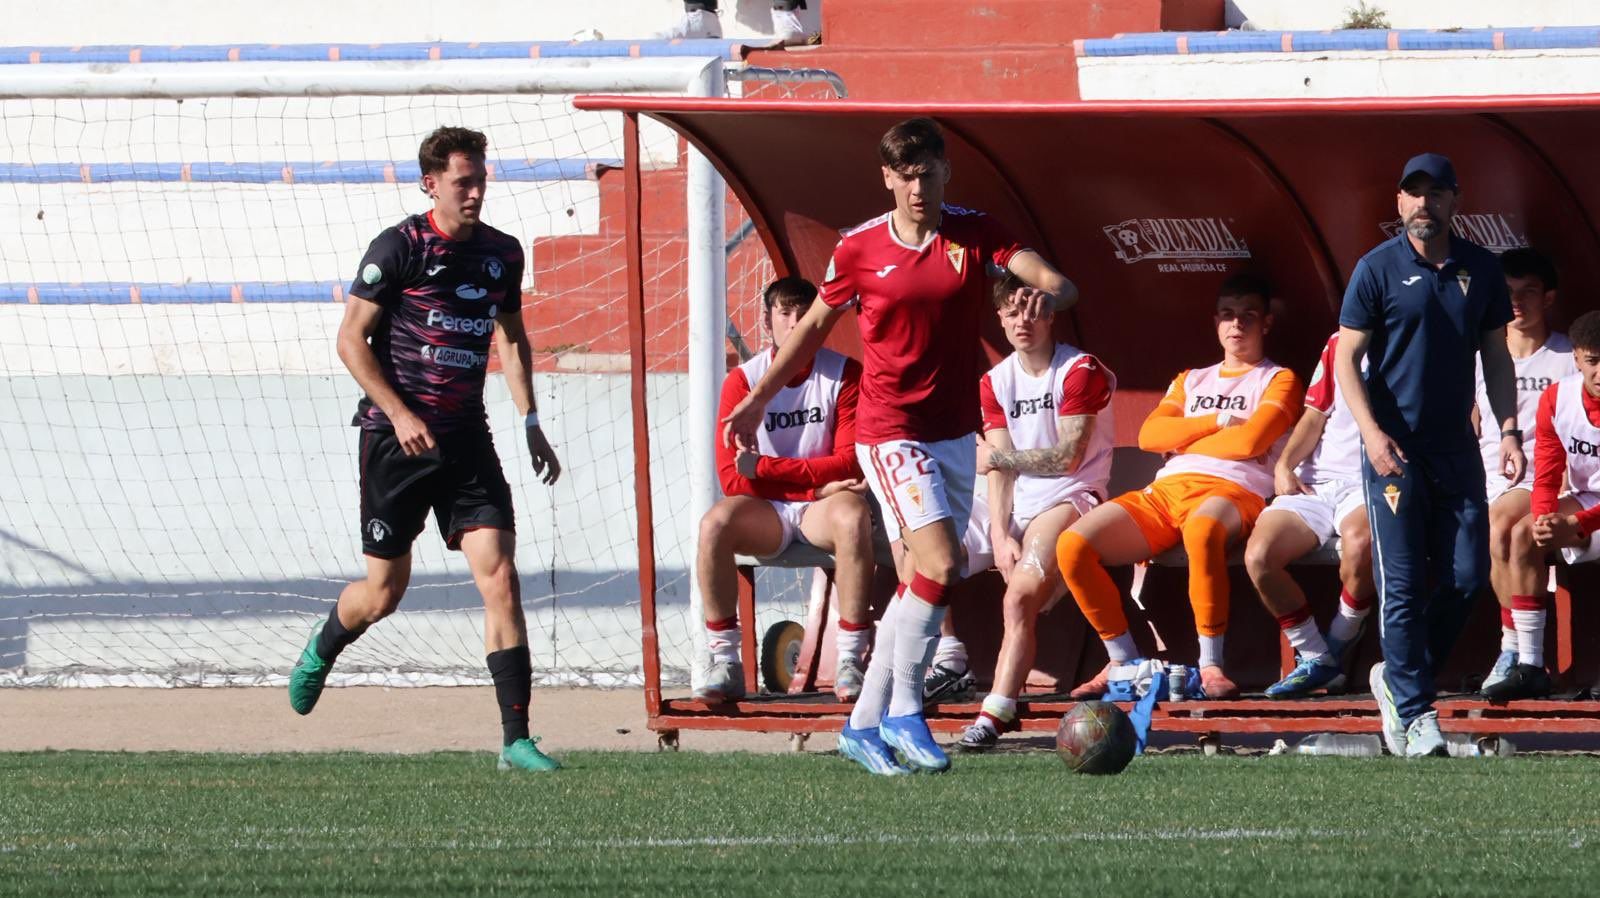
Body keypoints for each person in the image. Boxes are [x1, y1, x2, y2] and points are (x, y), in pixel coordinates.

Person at [722, 117, 1078, 775]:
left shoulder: (973, 231)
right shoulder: (858, 249)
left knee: (923, 579)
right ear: (888, 178)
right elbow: (808, 332)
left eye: (928, 173)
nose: (918, 187)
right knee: (941, 564)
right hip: (889, 432)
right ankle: (905, 713)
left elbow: (1024, 262)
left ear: (947, 172)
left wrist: (1051, 283)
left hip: (951, 432)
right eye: (905, 176)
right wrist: (755, 397)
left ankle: (861, 728)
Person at [287, 126, 563, 773]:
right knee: (383, 593)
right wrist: (399, 411)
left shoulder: (502, 254)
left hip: (468, 440)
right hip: (395, 441)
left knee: (499, 576)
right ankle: (325, 645)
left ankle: (515, 739)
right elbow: (351, 339)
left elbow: (512, 338)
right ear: (430, 183)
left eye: (481, 179)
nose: (475, 192)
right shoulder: (400, 247)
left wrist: (529, 420)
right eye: (463, 181)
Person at [1335, 152, 1522, 757]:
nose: (1423, 205)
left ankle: (1397, 677)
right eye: (1413, 194)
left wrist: (1511, 429)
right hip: (1393, 451)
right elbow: (1346, 359)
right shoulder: (1376, 269)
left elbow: (1495, 356)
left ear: (1453, 201)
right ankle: (1416, 716)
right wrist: (1369, 433)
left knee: (1469, 576)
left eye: (1435, 194)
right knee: (1405, 584)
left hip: (1456, 450)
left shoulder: (1481, 270)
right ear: (1398, 203)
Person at [1057, 274, 1303, 700]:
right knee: (1073, 546)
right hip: (1167, 490)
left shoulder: (1278, 378)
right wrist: (1219, 421)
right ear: (1216, 322)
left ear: (1265, 323)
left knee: (1203, 530)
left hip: (1233, 490)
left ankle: (1210, 664)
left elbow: (1250, 443)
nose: (1236, 325)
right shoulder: (1192, 379)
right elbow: (1152, 435)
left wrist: (1185, 436)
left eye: (1248, 316)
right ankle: (1122, 660)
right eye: (1227, 315)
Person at [952, 273, 1116, 751]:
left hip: (1071, 494)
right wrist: (1000, 536)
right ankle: (930, 671)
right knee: (922, 553)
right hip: (1016, 497)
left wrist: (999, 460)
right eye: (1011, 311)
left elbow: (1066, 457)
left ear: (1051, 314)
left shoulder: (1078, 369)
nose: (1022, 321)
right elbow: (998, 470)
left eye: (1033, 310)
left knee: (1019, 595)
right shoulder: (994, 381)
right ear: (999, 318)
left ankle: (995, 712)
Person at [695, 276, 872, 704]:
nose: (794, 323)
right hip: (771, 509)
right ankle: (725, 661)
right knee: (714, 524)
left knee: (853, 516)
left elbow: (849, 462)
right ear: (767, 321)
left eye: (804, 314)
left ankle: (850, 660)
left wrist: (765, 468)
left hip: (822, 509)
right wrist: (814, 484)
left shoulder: (844, 373)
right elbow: (734, 479)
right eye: (784, 313)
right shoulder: (743, 381)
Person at [1243, 330, 1374, 698]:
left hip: (1371, 482)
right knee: (1259, 556)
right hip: (1315, 483)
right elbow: (1315, 415)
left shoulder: (1416, 337)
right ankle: (1318, 658)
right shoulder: (1339, 341)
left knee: (1360, 544)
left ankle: (1340, 638)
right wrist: (1285, 464)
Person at [1471, 248, 1574, 696]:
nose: (1517, 302)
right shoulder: (1481, 355)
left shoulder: (1568, 357)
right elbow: (1470, 418)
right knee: (1495, 532)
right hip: (1489, 472)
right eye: (1508, 292)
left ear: (1548, 297)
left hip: (1541, 473)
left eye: (1528, 292)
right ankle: (1515, 648)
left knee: (1504, 530)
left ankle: (1513, 648)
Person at [1486, 311, 1600, 701]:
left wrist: (1579, 524)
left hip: (1593, 513)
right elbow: (1548, 470)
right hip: (1588, 500)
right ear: (1578, 359)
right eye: (1593, 361)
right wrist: (1546, 516)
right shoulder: (1558, 397)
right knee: (1523, 534)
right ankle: (1530, 667)